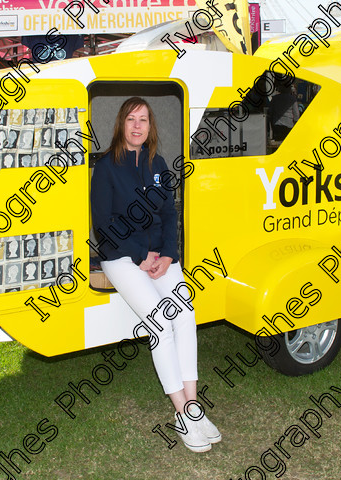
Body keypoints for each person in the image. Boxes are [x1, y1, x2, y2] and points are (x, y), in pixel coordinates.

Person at [90, 97, 220, 453]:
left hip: (159, 258)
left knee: (186, 314)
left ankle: (193, 409)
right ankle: (183, 413)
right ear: (121, 124)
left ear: (150, 127)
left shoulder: (159, 164)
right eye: (131, 119)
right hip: (121, 258)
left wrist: (168, 254)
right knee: (162, 322)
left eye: (143, 120)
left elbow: (168, 216)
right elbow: (104, 224)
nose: (137, 126)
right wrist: (139, 255)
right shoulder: (106, 168)